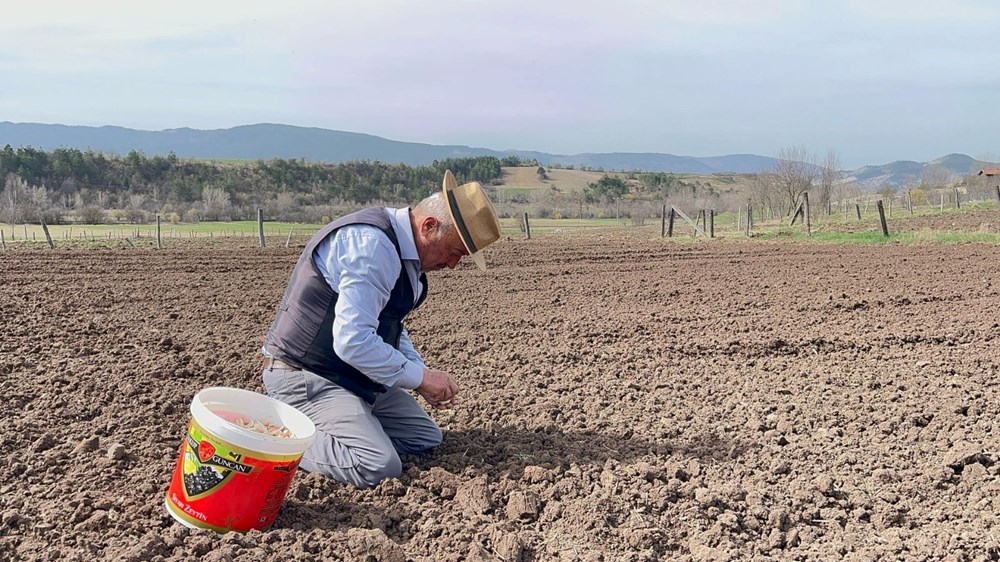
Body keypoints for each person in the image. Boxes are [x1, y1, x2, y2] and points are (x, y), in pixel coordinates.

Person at [261, 170, 501, 488]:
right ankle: (275, 438)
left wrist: (420, 373)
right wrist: (420, 379)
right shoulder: (372, 247)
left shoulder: (407, 262)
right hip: (308, 376)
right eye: (454, 252)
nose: (453, 265)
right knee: (377, 464)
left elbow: (391, 328)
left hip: (352, 377)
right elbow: (352, 342)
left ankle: (350, 427)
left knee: (424, 438)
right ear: (429, 226)